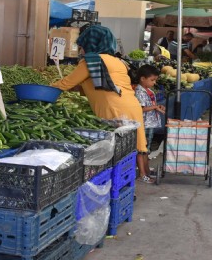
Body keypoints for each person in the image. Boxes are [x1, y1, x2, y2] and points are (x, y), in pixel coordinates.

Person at [51, 26, 152, 182]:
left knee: (117, 153)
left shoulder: (91, 62)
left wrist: (43, 89)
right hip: (132, 107)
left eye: (82, 45)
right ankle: (136, 180)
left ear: (91, 44)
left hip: (115, 111)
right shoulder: (118, 61)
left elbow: (66, 83)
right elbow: (94, 86)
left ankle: (117, 185)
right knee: (132, 148)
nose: (80, 49)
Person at [133, 64, 165, 183]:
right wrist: (155, 107)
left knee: (147, 149)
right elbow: (140, 109)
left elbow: (150, 106)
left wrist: (157, 107)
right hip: (144, 124)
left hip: (150, 123)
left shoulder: (149, 91)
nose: (154, 82)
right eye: (152, 80)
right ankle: (143, 174)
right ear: (142, 78)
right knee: (142, 150)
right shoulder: (139, 92)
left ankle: (146, 170)